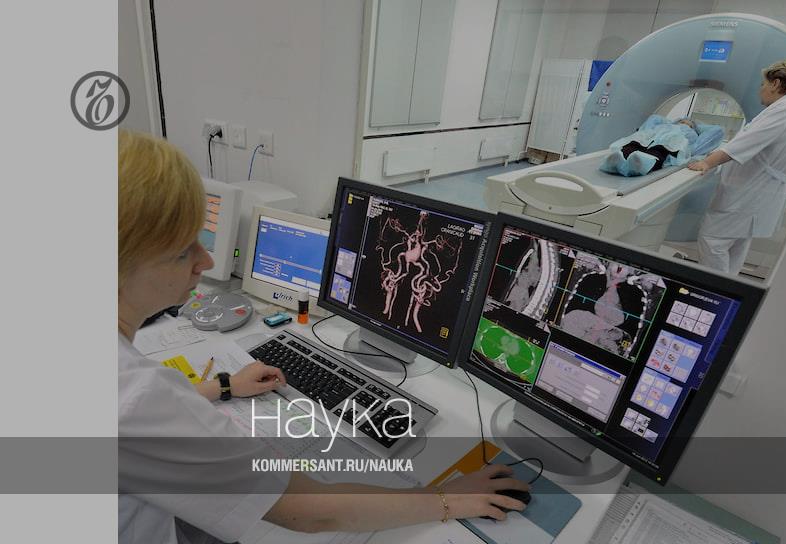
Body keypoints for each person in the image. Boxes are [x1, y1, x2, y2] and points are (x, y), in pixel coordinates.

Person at [118, 130, 530, 543]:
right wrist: (448, 499)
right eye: (182, 251)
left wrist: (222, 386)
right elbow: (306, 511)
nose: (205, 261)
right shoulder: (139, 399)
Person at [688, 59, 786, 275]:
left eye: (763, 84)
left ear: (775, 83)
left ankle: (716, 289)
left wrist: (707, 162)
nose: (760, 90)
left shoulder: (785, 109)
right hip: (762, 192)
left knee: (712, 240)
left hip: (750, 192)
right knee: (736, 245)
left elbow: (746, 142)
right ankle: (728, 288)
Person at [600, 116, 700, 177]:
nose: (684, 124)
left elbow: (689, 144)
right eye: (682, 122)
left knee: (657, 152)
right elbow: (652, 124)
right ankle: (615, 161)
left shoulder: (691, 133)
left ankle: (638, 165)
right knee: (634, 144)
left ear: (692, 128)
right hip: (649, 140)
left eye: (689, 125)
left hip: (667, 145)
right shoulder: (664, 126)